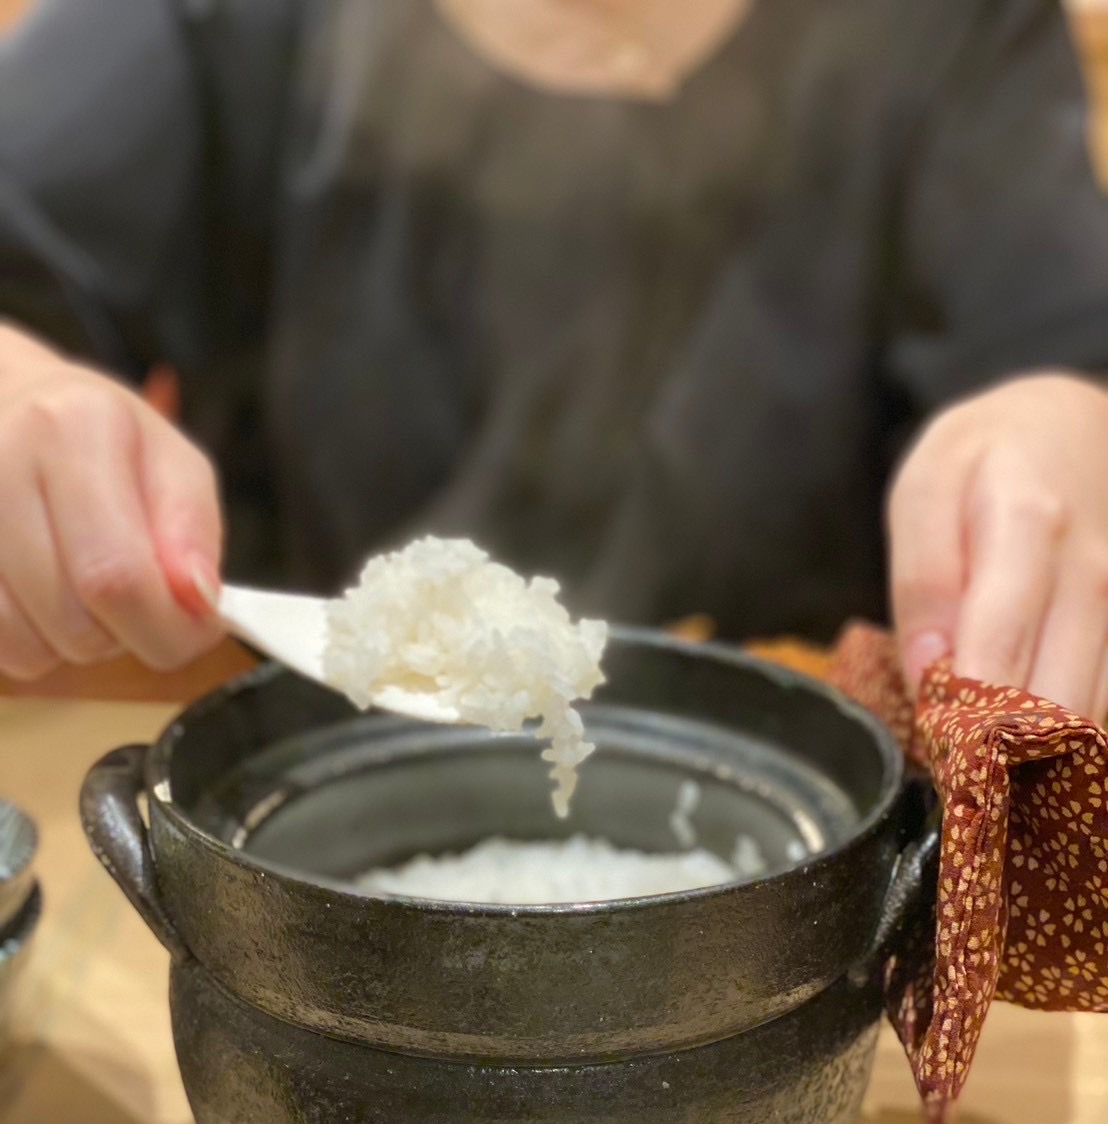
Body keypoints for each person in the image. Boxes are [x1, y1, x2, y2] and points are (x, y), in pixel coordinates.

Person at [1, 0, 1107, 716]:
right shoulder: (230, 23)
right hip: (313, 811)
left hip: (813, 867)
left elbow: (1067, 365)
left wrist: (1064, 427)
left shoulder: (942, 27)